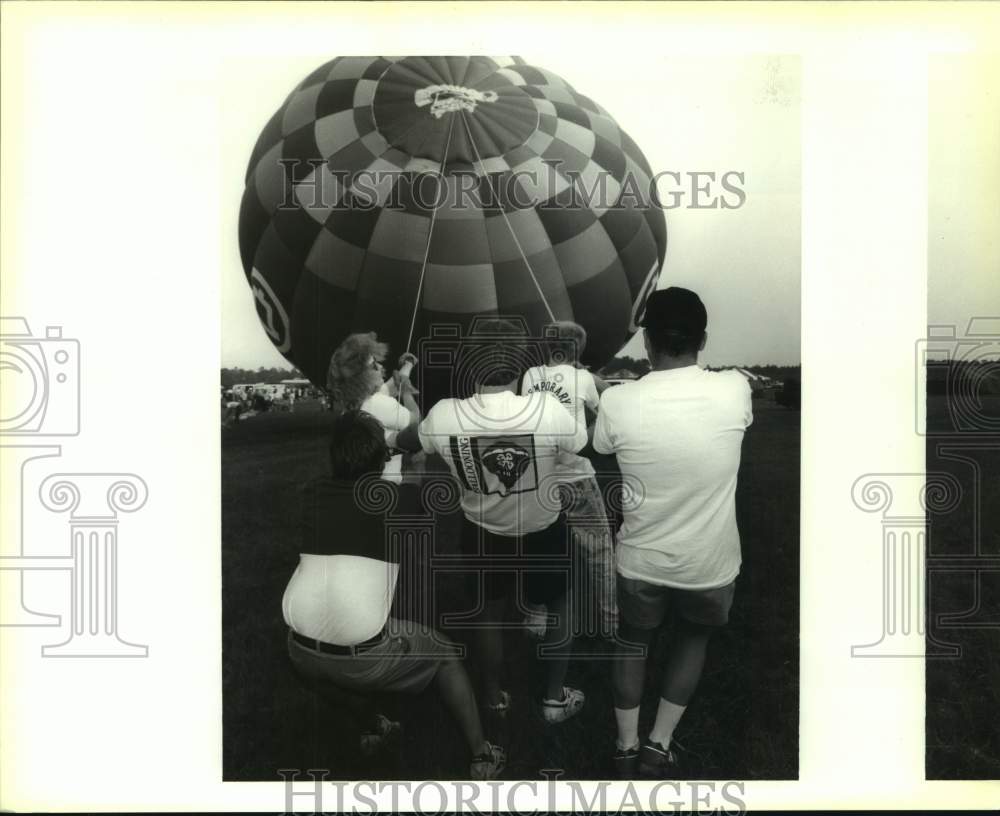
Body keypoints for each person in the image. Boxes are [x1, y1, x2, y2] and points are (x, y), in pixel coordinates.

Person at [282, 410, 505, 779]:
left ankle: (374, 727)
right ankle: (483, 755)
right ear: (379, 459)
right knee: (446, 655)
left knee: (335, 673)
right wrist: (413, 463)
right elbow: (413, 491)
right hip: (362, 655)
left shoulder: (312, 493)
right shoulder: (395, 500)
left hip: (298, 650)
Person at [593, 287, 753, 778]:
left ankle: (625, 747)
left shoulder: (618, 402)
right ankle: (657, 746)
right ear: (702, 340)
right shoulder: (736, 389)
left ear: (647, 341)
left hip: (642, 559)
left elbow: (600, 448)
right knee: (692, 639)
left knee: (633, 643)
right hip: (709, 563)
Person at [415, 319, 589, 724]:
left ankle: (493, 698)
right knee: (560, 604)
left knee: (488, 612)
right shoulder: (547, 408)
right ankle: (552, 699)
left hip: (482, 530)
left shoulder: (444, 414)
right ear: (520, 363)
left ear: (470, 364)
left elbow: (412, 438)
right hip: (543, 527)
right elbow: (579, 444)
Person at [519, 320, 617, 638]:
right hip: (575, 475)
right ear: (577, 349)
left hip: (538, 478)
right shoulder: (584, 378)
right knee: (599, 551)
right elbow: (611, 402)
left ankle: (535, 616)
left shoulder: (531, 376)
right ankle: (610, 619)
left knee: (538, 548)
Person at [326, 332, 421, 451]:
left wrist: (408, 363)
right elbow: (415, 423)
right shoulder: (378, 403)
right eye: (374, 365)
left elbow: (395, 385)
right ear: (362, 377)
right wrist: (407, 393)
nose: (380, 366)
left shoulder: (361, 402)